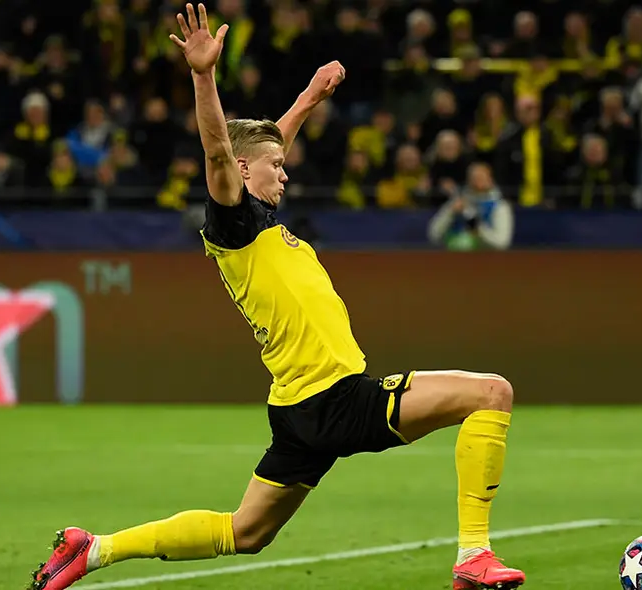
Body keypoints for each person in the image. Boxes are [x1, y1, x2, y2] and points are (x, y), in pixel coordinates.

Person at [28, 5, 524, 590]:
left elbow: (265, 144)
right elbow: (219, 150)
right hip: (335, 397)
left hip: (299, 408)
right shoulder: (233, 221)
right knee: (492, 392)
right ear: (241, 172)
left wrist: (311, 97)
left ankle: (94, 550)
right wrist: (203, 76)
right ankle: (473, 555)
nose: (285, 175)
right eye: (276, 169)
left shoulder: (258, 218)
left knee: (246, 532)